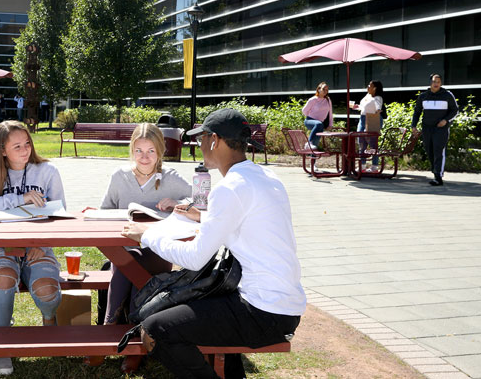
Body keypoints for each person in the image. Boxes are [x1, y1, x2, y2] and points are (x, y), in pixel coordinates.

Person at [123, 109, 306, 378]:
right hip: (282, 306)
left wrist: (146, 236)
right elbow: (248, 218)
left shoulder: (229, 187)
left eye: (201, 140)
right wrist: (205, 216)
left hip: (262, 311)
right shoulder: (266, 177)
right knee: (202, 308)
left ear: (215, 140)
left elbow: (195, 258)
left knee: (155, 329)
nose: (199, 146)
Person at [0, 121, 65, 376]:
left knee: (46, 291)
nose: (24, 150)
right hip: (1, 247)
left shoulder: (47, 171)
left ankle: (49, 317)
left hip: (38, 247)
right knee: (3, 279)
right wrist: (18, 198)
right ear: (2, 150)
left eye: (27, 144)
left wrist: (41, 244)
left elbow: (59, 213)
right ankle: (1, 346)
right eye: (17, 146)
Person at [100, 124, 190, 328]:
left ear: (160, 151)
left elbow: (202, 200)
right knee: (128, 262)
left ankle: (109, 325)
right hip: (126, 247)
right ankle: (132, 332)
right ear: (132, 150)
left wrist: (179, 203)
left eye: (151, 151)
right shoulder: (119, 177)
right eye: (139, 151)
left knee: (127, 264)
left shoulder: (171, 177)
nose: (144, 157)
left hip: (158, 252)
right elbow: (105, 210)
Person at [412, 74, 458, 186]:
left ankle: (438, 176)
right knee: (429, 150)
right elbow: (417, 111)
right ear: (430, 83)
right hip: (427, 128)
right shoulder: (423, 96)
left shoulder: (447, 95)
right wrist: (414, 126)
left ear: (441, 83)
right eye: (434, 81)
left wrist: (446, 120)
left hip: (441, 129)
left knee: (439, 150)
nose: (436, 83)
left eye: (438, 81)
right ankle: (435, 173)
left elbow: (455, 110)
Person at [352, 80, 384, 172]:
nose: (368, 87)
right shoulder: (367, 95)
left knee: (372, 142)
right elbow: (363, 107)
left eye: (370, 85)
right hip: (362, 119)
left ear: (375, 88)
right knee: (361, 142)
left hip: (372, 119)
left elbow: (378, 107)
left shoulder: (378, 98)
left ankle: (374, 166)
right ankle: (362, 165)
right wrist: (356, 107)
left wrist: (378, 111)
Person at [301, 82, 333, 149]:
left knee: (315, 144)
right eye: (324, 89)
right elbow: (304, 111)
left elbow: (330, 113)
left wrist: (330, 125)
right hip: (309, 120)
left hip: (320, 123)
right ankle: (308, 143)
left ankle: (313, 157)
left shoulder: (328, 100)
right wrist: (311, 115)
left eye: (327, 90)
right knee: (319, 124)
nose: (325, 91)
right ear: (318, 89)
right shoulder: (313, 99)